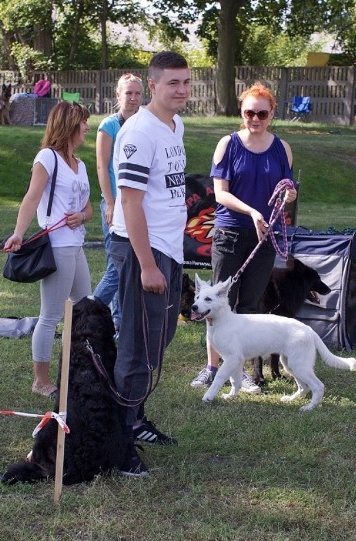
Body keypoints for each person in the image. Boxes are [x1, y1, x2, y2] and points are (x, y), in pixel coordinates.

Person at [109, 51, 191, 476]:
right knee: (138, 349)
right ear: (153, 84)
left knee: (159, 341)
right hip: (143, 252)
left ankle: (135, 419)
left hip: (169, 251)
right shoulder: (139, 132)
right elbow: (130, 202)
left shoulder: (175, 126)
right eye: (172, 83)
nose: (181, 90)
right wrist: (146, 265)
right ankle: (119, 442)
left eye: (186, 82)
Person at [190, 82, 297, 393]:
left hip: (264, 237)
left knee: (250, 304)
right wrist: (252, 212)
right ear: (242, 112)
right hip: (231, 233)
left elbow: (285, 190)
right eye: (249, 112)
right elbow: (220, 194)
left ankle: (244, 370)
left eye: (262, 113)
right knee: (217, 302)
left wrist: (288, 195)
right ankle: (212, 367)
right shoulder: (229, 144)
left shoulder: (282, 148)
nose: (255, 118)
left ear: (272, 113)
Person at [3, 101, 93, 398]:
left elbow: (89, 207)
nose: (87, 127)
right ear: (69, 124)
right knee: (51, 315)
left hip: (76, 244)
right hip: (56, 246)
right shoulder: (47, 158)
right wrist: (18, 234)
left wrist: (82, 216)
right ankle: (40, 380)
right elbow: (31, 198)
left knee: (84, 307)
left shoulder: (80, 165)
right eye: (83, 122)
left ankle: (78, 366)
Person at [93, 73, 144, 333]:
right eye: (128, 93)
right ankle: (87, 312)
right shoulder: (109, 125)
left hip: (138, 204)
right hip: (116, 204)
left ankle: (118, 322)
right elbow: (102, 166)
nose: (133, 98)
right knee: (118, 266)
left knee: (124, 266)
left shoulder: (146, 122)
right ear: (118, 95)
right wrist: (110, 202)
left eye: (137, 93)